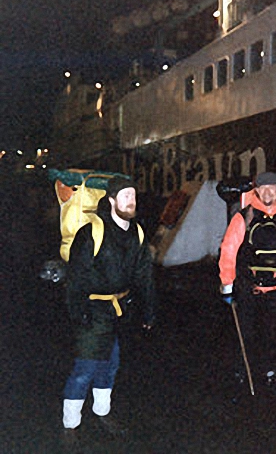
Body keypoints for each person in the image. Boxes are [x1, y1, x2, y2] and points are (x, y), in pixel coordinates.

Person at [62, 176, 156, 437]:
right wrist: (77, 312)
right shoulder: (92, 231)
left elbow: (144, 274)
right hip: (92, 309)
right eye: (125, 195)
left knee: (110, 364)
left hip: (120, 309)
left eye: (133, 195)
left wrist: (149, 309)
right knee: (86, 368)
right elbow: (76, 275)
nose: (131, 200)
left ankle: (102, 412)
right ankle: (70, 424)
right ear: (112, 200)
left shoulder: (136, 232)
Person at [219, 171, 276, 386]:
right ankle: (244, 370)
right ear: (256, 190)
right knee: (246, 333)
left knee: (274, 334)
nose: (267, 191)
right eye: (262, 188)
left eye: (272, 187)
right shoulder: (244, 216)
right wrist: (227, 284)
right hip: (248, 288)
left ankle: (271, 370)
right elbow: (228, 251)